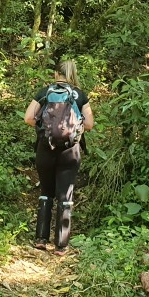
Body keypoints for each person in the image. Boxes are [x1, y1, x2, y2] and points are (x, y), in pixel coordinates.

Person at [24, 60, 94, 254]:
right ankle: (61, 245)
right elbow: (89, 124)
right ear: (73, 74)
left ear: (56, 74)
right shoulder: (79, 95)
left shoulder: (45, 93)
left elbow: (28, 117)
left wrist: (44, 129)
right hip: (70, 151)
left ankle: (40, 239)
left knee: (46, 191)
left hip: (45, 149)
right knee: (66, 196)